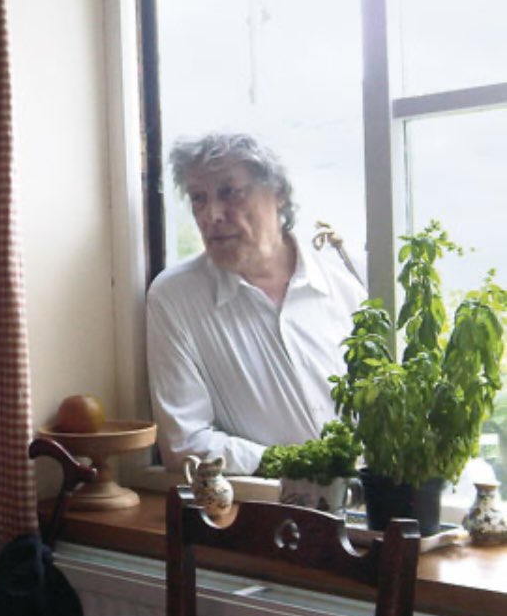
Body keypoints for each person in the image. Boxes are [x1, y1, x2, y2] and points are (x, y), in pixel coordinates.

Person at [145, 133, 365, 475]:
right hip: (256, 512)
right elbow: (184, 443)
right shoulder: (175, 297)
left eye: (230, 193)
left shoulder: (344, 290)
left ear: (279, 193)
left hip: (366, 509)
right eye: (198, 199)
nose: (212, 215)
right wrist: (302, 468)